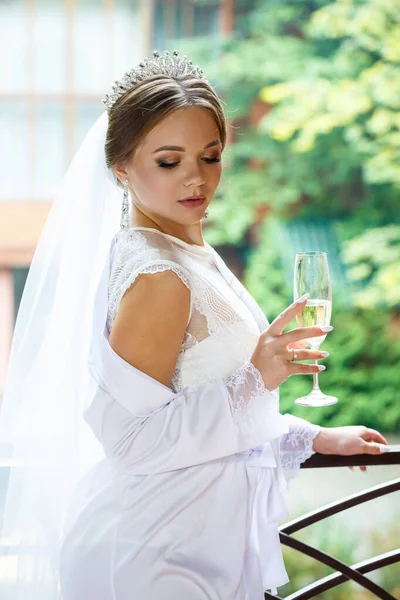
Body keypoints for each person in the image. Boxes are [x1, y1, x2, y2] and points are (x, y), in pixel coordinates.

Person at [0, 50, 388, 600]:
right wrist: (258, 373)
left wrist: (312, 437)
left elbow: (204, 404)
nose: (196, 179)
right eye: (168, 161)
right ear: (121, 169)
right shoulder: (158, 276)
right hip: (153, 552)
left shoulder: (186, 250)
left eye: (210, 156)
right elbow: (132, 443)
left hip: (194, 540)